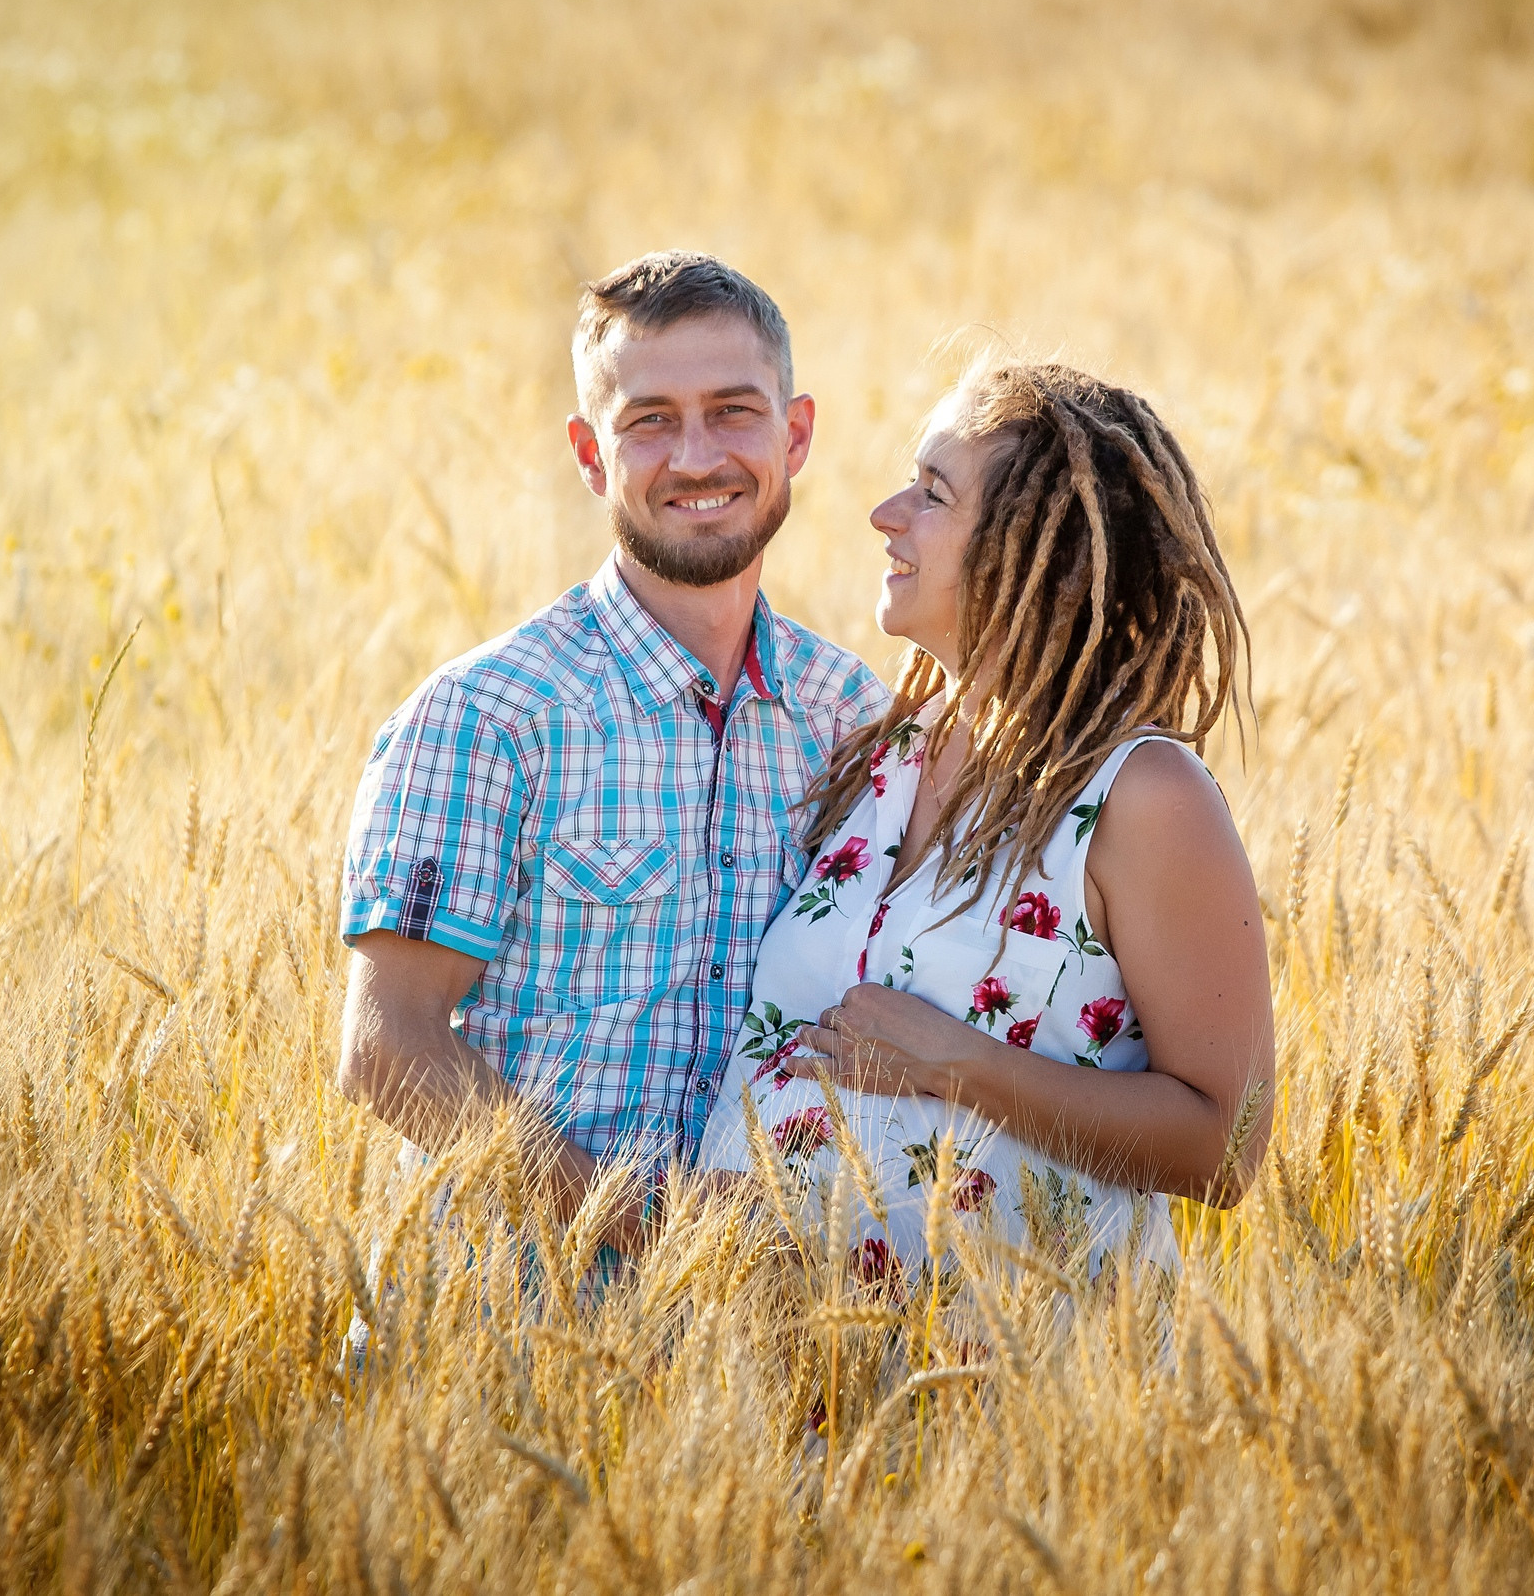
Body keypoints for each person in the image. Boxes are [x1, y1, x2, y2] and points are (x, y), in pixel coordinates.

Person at [335, 252, 886, 1254]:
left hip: (766, 1319)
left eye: (733, 411)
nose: (696, 457)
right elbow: (388, 1046)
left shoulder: (852, 719)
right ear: (591, 455)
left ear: (796, 433)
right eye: (650, 422)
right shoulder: (487, 716)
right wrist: (649, 1225)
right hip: (502, 1315)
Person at [698, 360, 1276, 1275]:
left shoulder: (1143, 796)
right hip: (788, 1349)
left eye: (933, 494)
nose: (885, 514)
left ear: (1041, 551)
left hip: (1010, 1346)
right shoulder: (879, 755)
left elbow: (1224, 1148)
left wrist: (960, 1067)